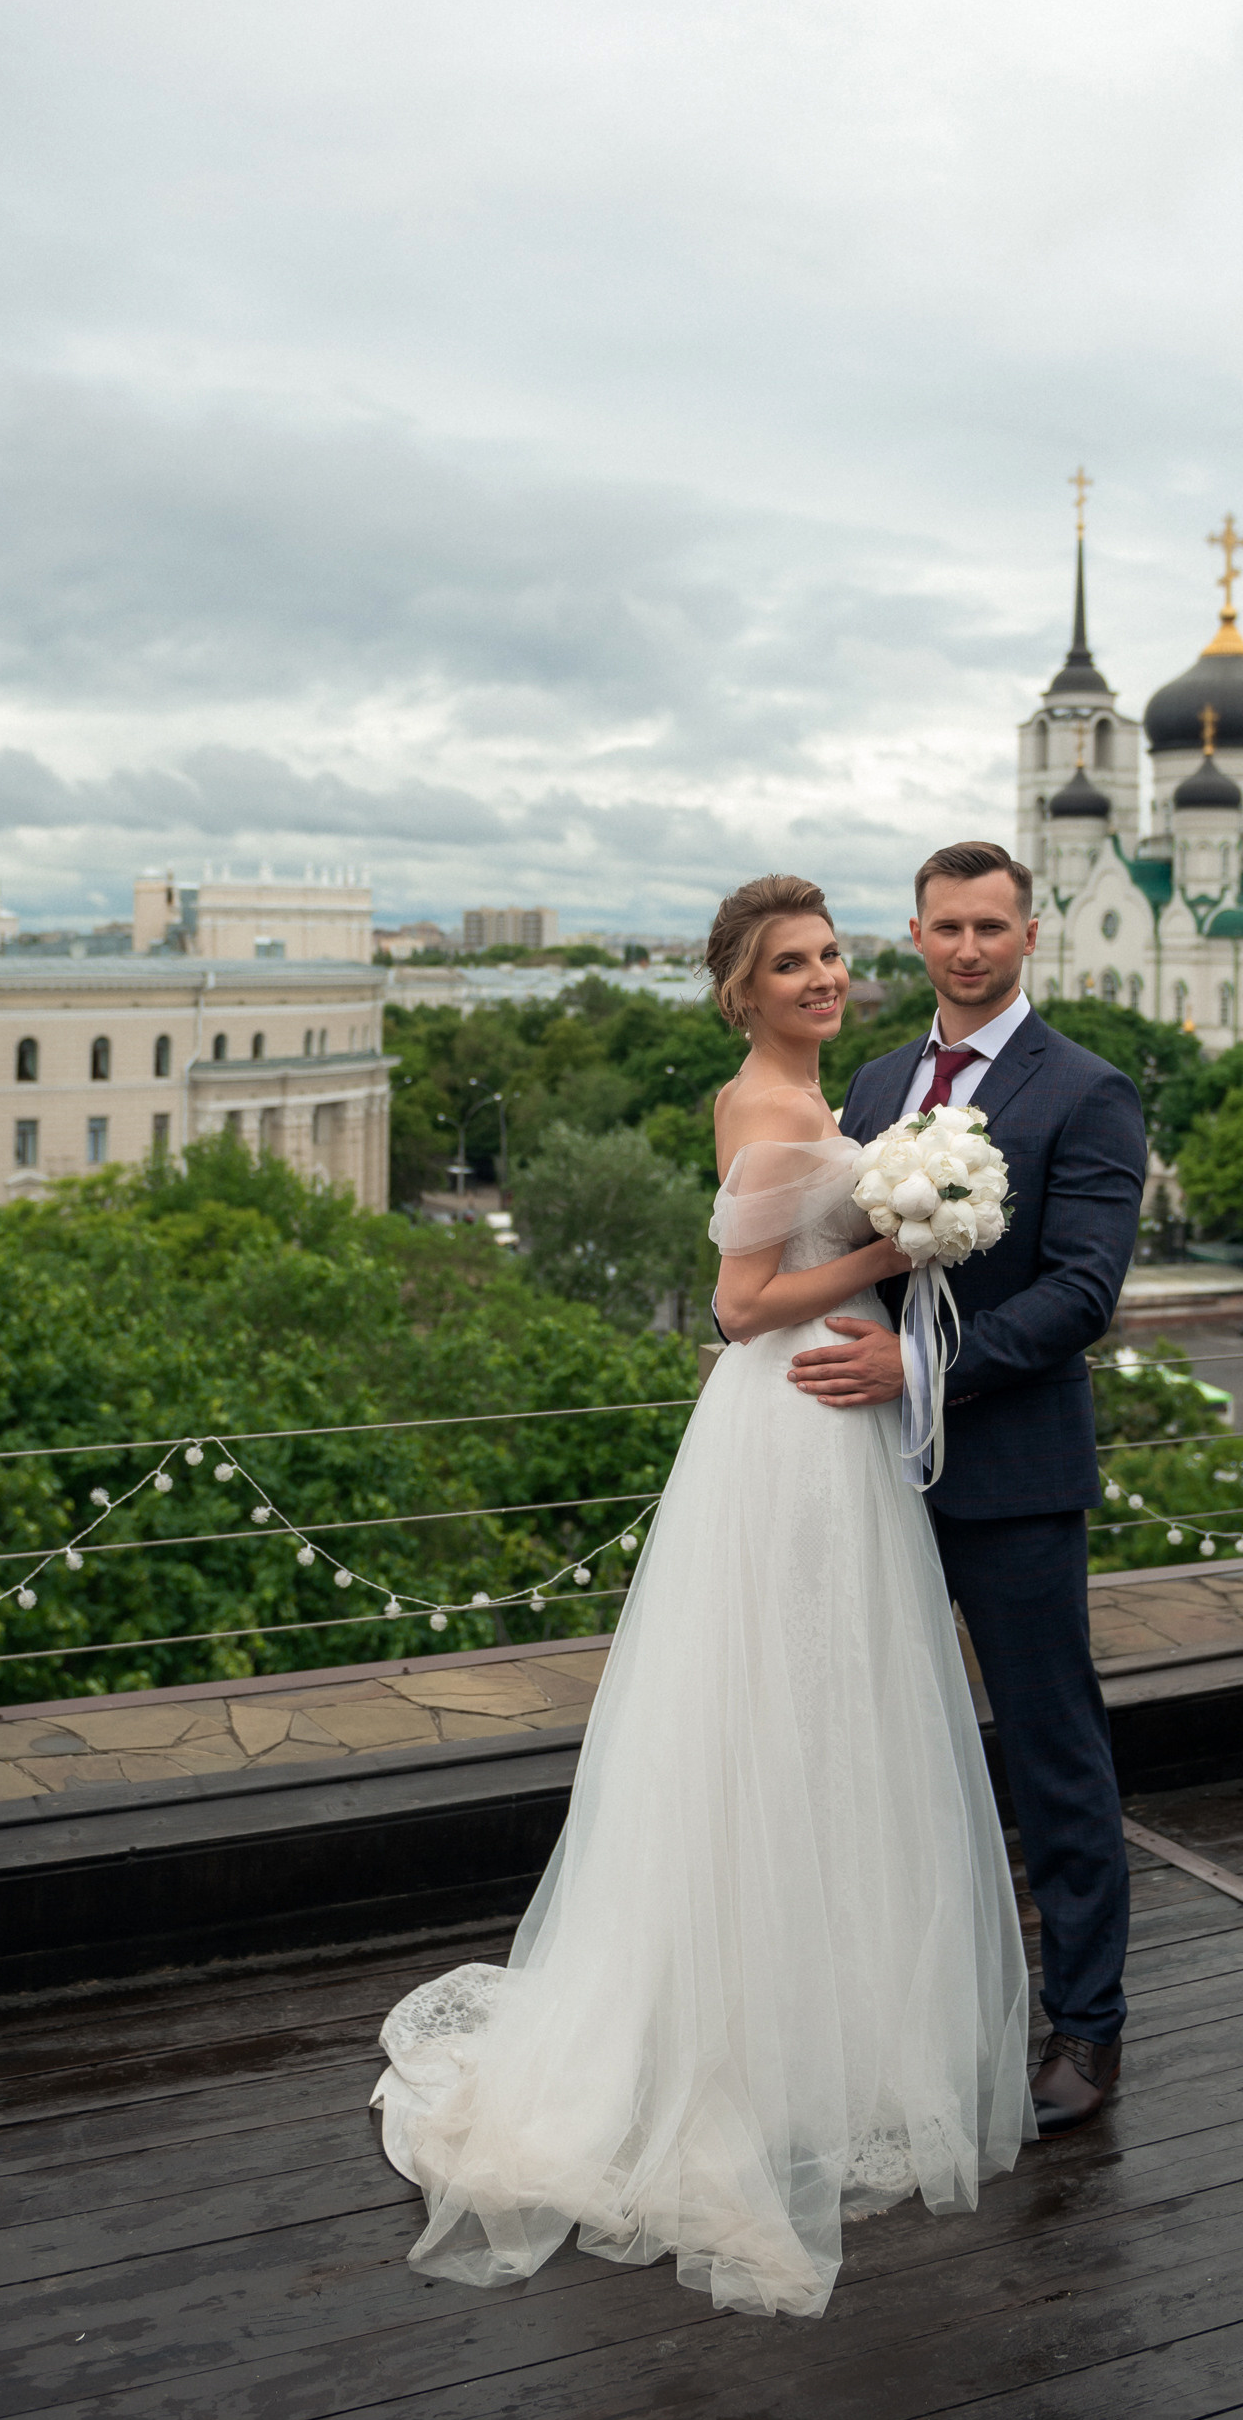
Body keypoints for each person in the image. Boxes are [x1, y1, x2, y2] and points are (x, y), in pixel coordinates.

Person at [371, 873, 1030, 2319]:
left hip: (826, 1421)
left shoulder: (815, 1096)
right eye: (791, 964)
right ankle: (738, 2043)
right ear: (742, 990)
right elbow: (736, 1303)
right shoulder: (770, 1106)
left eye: (832, 956)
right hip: (787, 1426)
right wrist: (893, 1244)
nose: (824, 979)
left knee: (818, 1717)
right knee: (777, 1717)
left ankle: (807, 2026)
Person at [801, 841, 1147, 2133]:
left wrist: (922, 1367)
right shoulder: (881, 1079)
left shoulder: (1087, 1090)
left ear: (1027, 936)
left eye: (988, 927)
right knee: (886, 1743)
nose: (964, 949)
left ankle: (1089, 2031)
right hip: (868, 1472)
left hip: (1008, 1473)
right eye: (943, 927)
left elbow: (1080, 1293)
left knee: (1052, 1753)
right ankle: (924, 2001)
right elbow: (848, 1247)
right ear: (915, 934)